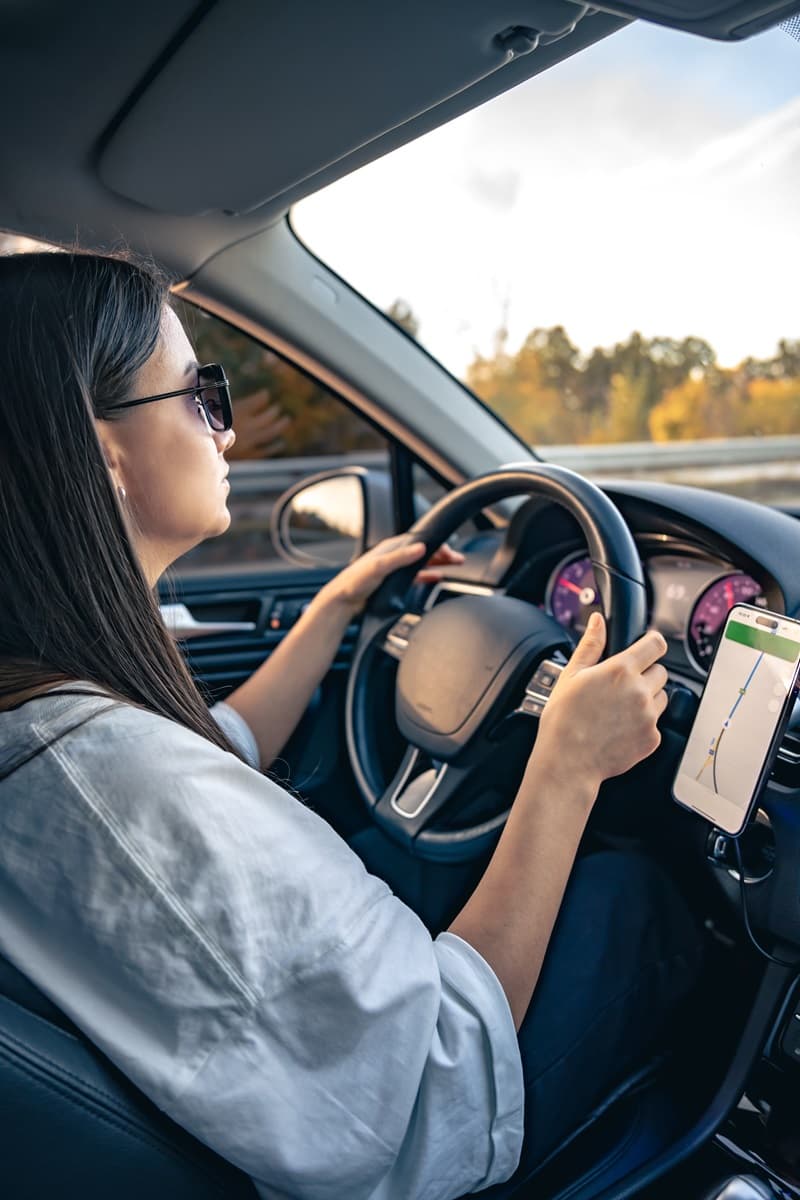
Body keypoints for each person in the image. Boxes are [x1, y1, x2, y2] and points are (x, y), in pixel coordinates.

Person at [0, 251, 700, 1200]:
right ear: (102, 451)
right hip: (418, 1127)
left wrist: (335, 607)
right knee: (636, 892)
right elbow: (436, 1082)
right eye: (199, 392)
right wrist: (566, 768)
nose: (224, 424)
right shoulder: (110, 778)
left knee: (402, 851)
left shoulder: (58, 726)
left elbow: (215, 745)